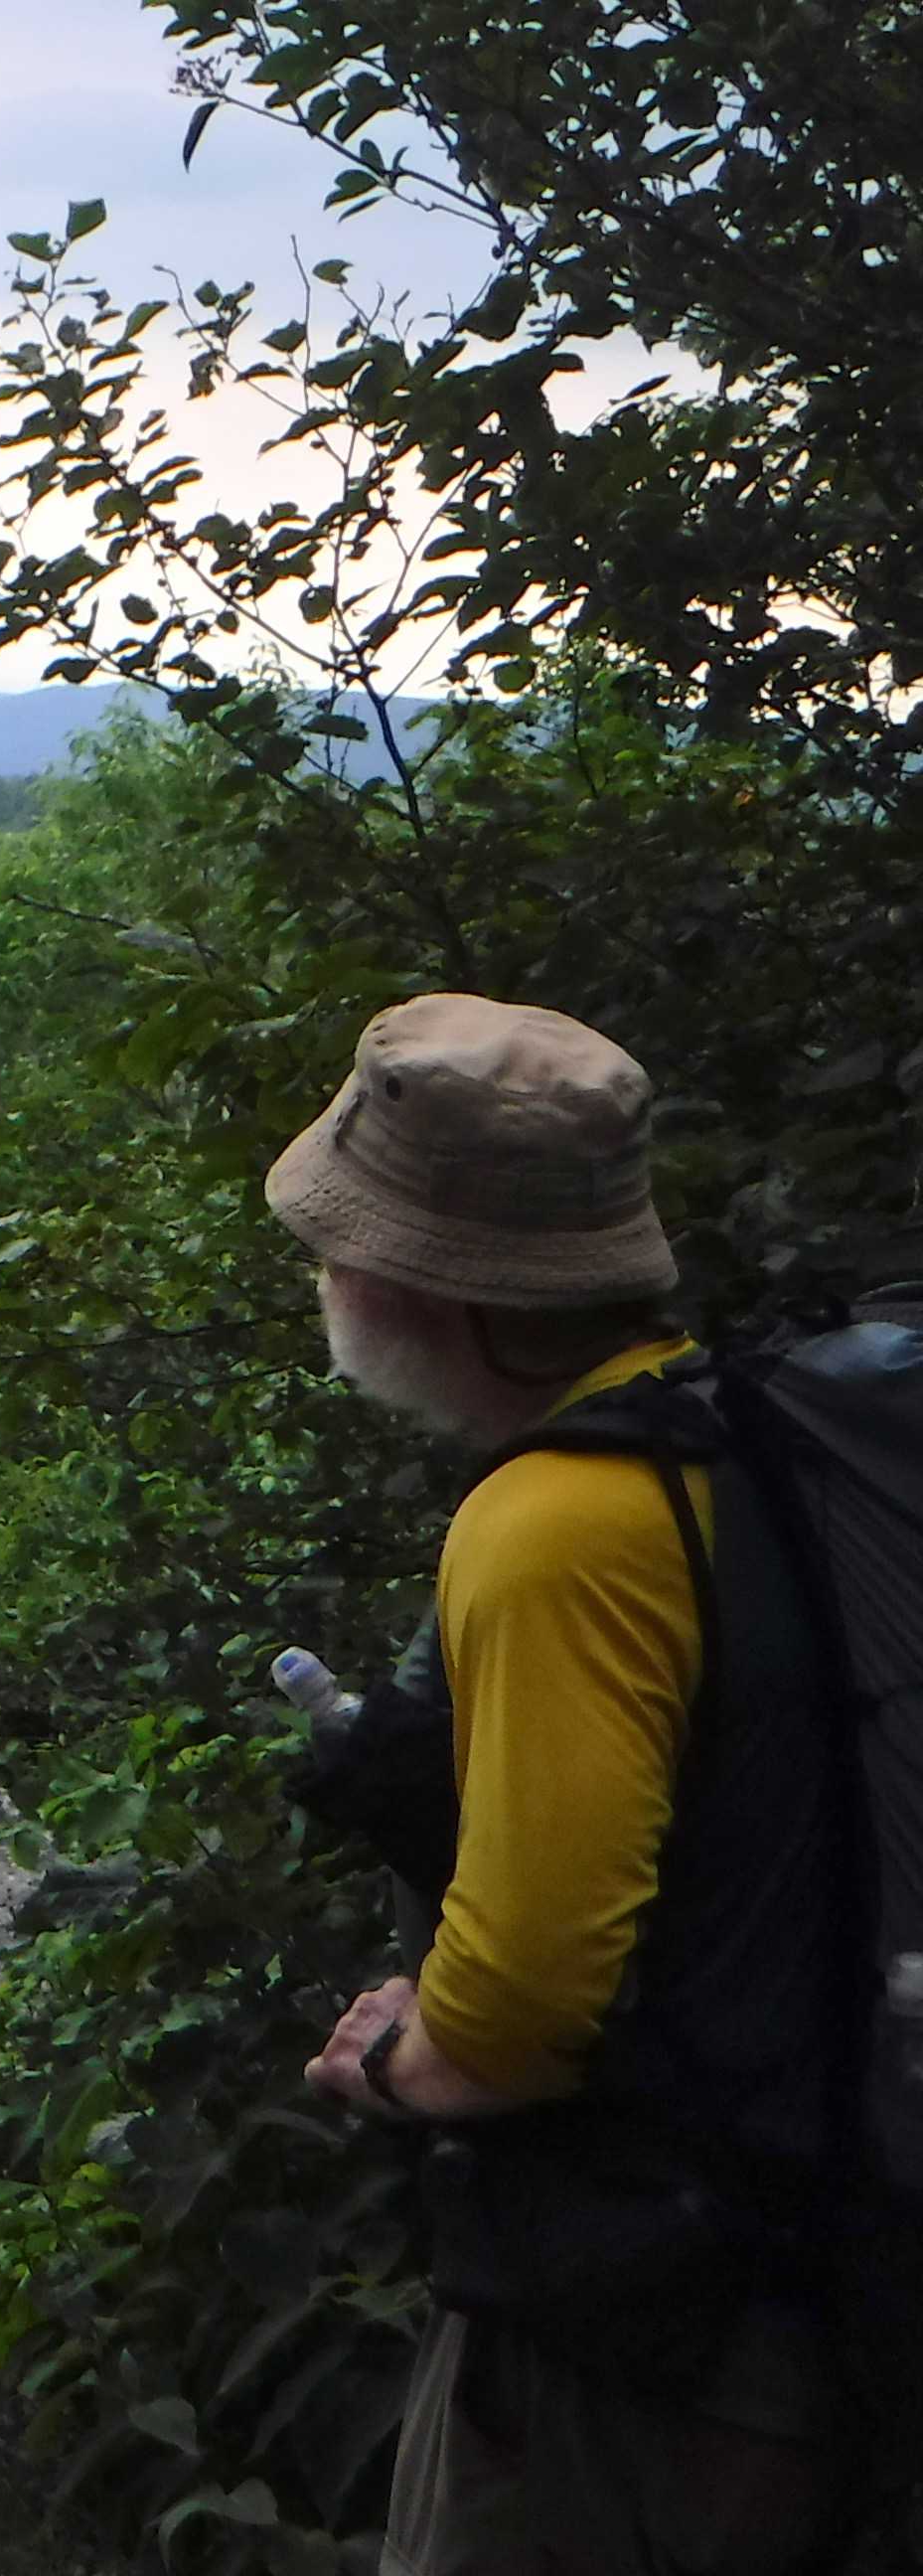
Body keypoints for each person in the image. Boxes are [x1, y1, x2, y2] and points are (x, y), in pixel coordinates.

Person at [264, 994, 867, 2573]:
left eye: (338, 1242)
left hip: (655, 2322)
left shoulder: (552, 1528)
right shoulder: (757, 1435)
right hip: (832, 2262)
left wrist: (402, 2059)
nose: (325, 1275)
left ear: (420, 1281)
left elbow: (524, 2010)